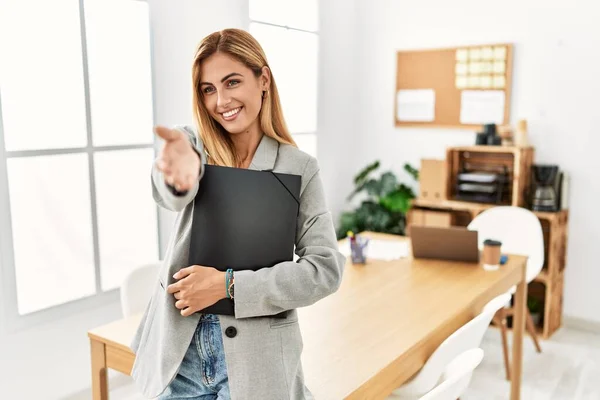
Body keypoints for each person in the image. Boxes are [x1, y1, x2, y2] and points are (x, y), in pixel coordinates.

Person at [130, 28, 345, 400]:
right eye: (208, 89)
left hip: (257, 365)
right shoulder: (194, 145)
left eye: (232, 82)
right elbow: (174, 187)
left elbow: (325, 271)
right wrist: (176, 175)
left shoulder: (299, 168)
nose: (221, 100)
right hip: (178, 361)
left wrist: (230, 286)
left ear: (263, 79)